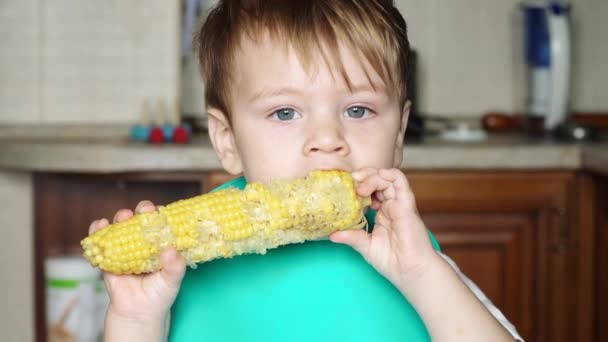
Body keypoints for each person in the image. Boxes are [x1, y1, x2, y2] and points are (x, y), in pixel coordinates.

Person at [88, 0, 523, 341]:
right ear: (227, 139)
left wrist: (424, 274)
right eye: (284, 113)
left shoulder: (411, 253)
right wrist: (135, 319)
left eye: (358, 109)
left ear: (399, 133)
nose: (327, 137)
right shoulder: (177, 271)